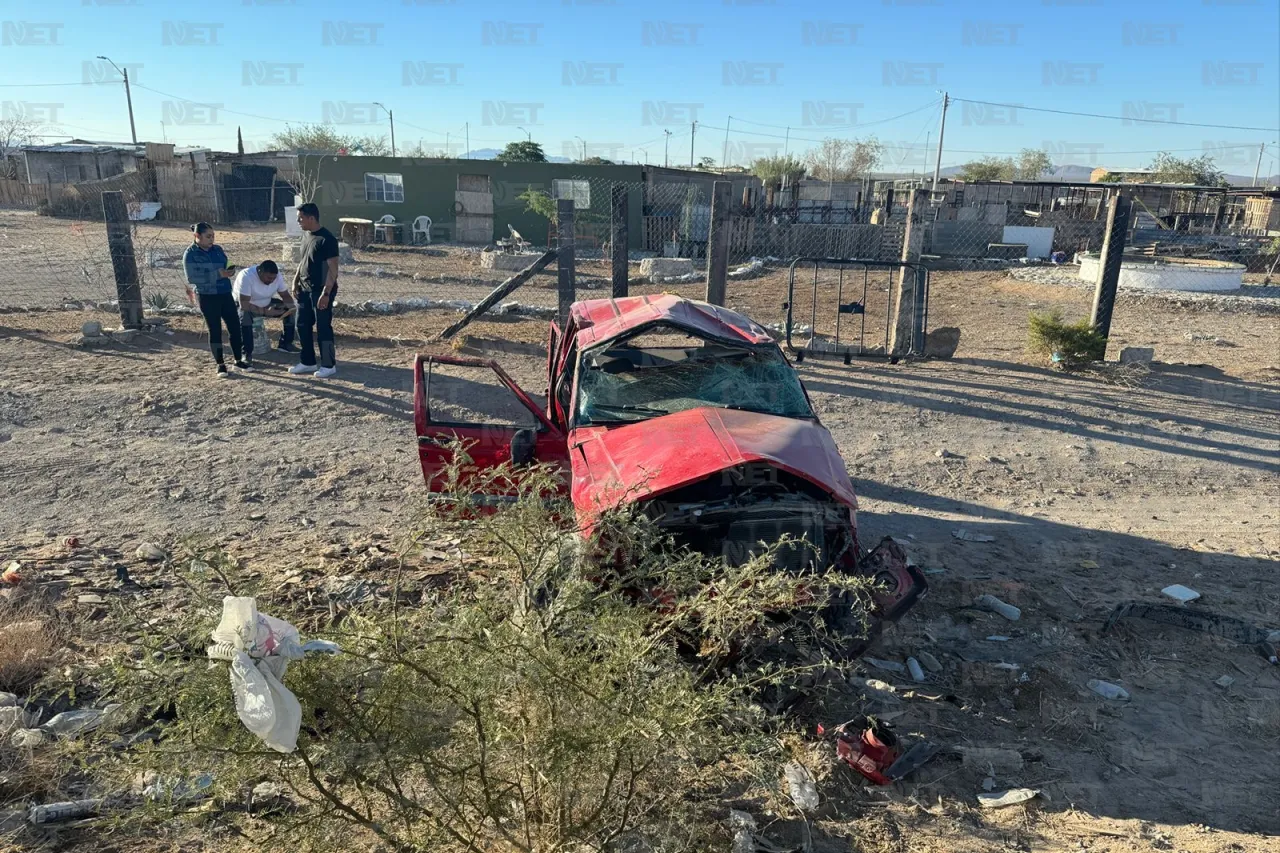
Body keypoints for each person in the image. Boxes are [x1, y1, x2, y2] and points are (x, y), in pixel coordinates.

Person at [183, 222, 247, 378]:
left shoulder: (218, 250)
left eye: (213, 236)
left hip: (225, 293)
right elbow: (192, 278)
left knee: (234, 327)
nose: (212, 239)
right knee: (215, 330)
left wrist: (231, 269)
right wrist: (218, 275)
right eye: (208, 236)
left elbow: (228, 263)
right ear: (197, 236)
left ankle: (238, 360)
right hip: (207, 296)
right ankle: (220, 364)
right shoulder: (190, 254)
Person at [289, 202, 340, 378]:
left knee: (323, 327)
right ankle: (308, 361)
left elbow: (333, 269)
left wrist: (326, 293)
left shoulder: (327, 239)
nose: (298, 221)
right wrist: (295, 281)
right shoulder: (306, 236)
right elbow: (303, 261)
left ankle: (328, 364)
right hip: (304, 289)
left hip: (321, 291)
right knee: (301, 325)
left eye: (300, 218)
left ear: (311, 218)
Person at [232, 259, 297, 366]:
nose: (271, 280)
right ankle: (246, 353)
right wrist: (266, 312)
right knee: (245, 318)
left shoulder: (277, 276)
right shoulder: (246, 276)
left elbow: (285, 295)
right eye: (269, 278)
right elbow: (244, 305)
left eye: (273, 278)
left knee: (288, 311)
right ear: (260, 272)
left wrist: (291, 307)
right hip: (246, 305)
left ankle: (285, 343)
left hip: (266, 302)